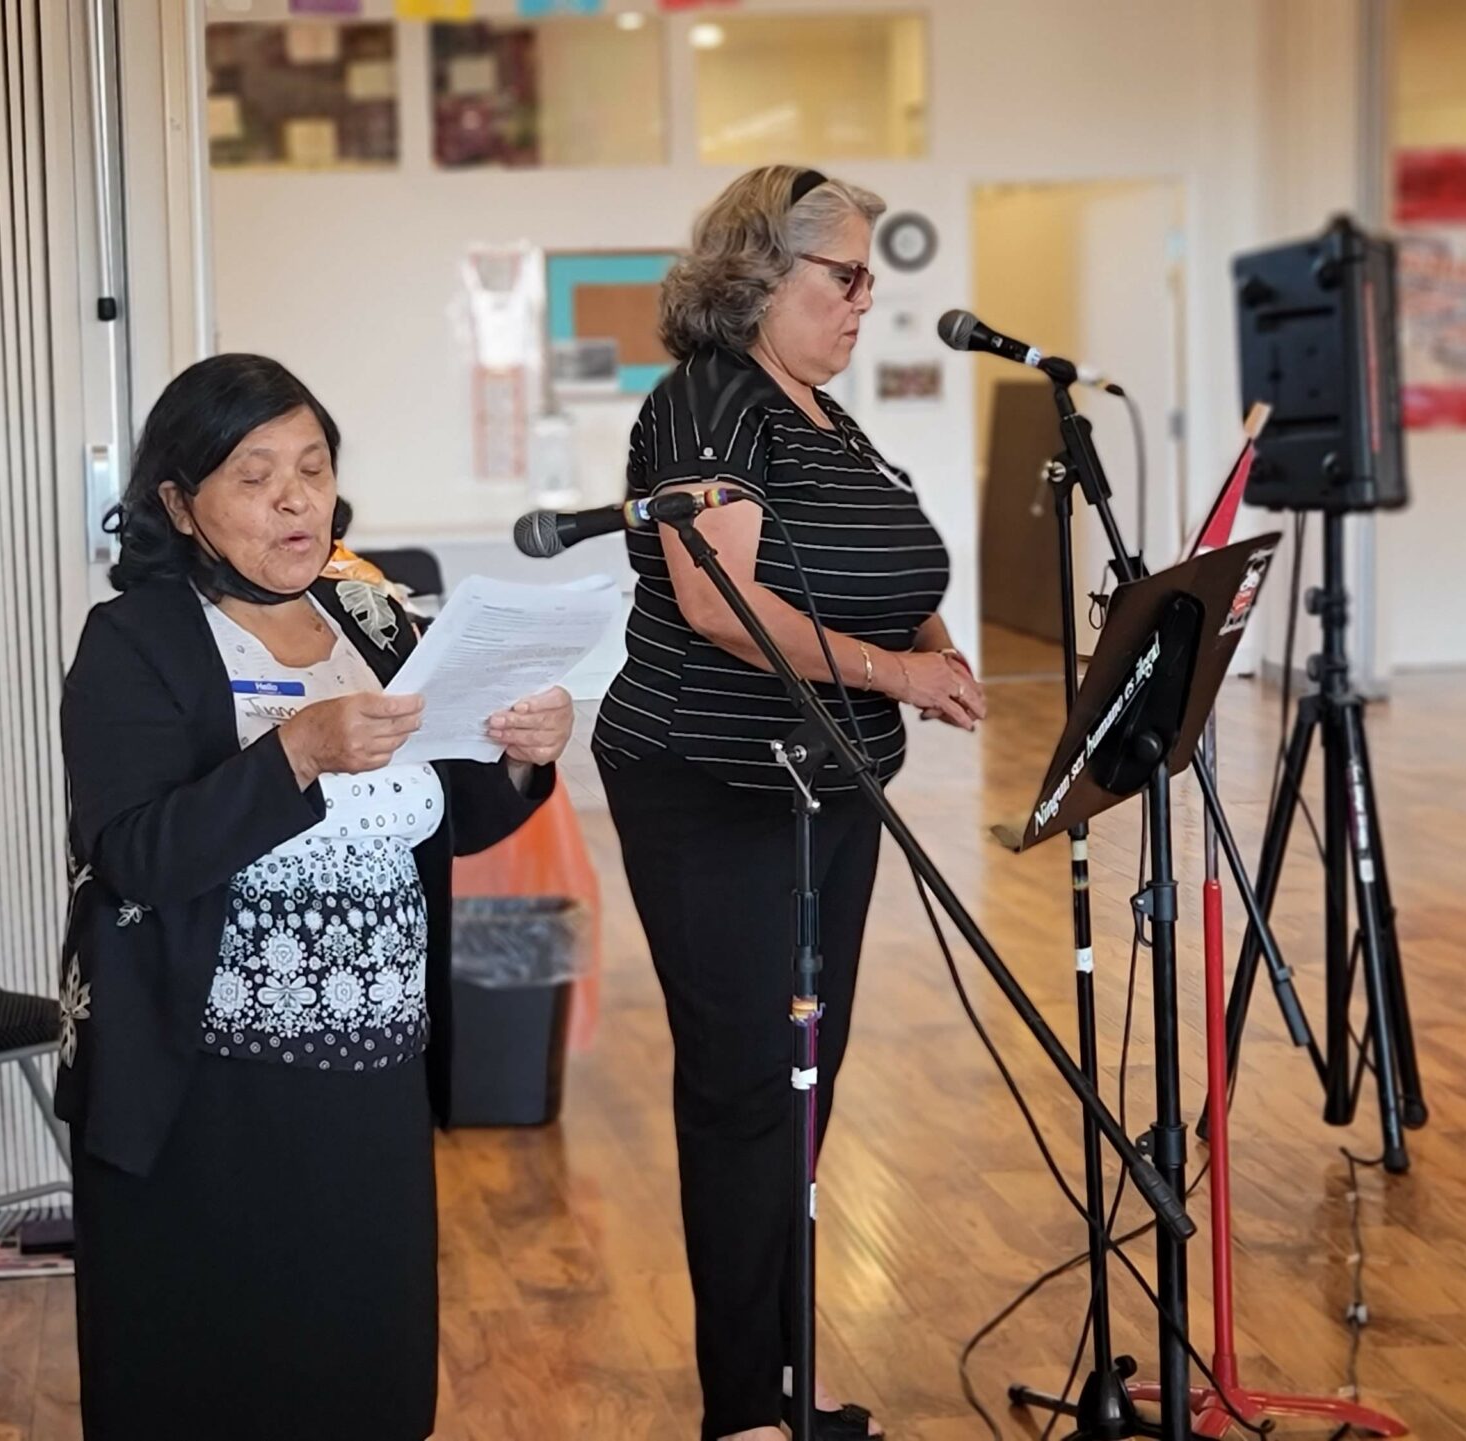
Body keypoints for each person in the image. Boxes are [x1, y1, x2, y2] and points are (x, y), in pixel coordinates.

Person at [56, 353, 572, 1438]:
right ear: (177, 502)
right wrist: (292, 753)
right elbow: (135, 855)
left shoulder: (372, 617)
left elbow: (449, 811)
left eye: (313, 465)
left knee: (360, 1363)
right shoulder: (135, 640)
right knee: (211, 1375)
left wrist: (523, 757)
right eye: (254, 474)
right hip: (207, 1083)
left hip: (371, 1066)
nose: (296, 497)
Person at [593, 165, 987, 1441]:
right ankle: (739, 1409)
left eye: (873, 276)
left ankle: (782, 1366)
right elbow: (715, 601)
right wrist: (899, 672)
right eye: (847, 275)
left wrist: (930, 643)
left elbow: (883, 561)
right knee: (746, 1083)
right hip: (710, 784)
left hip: (828, 784)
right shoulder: (706, 402)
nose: (868, 299)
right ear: (760, 276)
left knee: (804, 1077)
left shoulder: (821, 411)